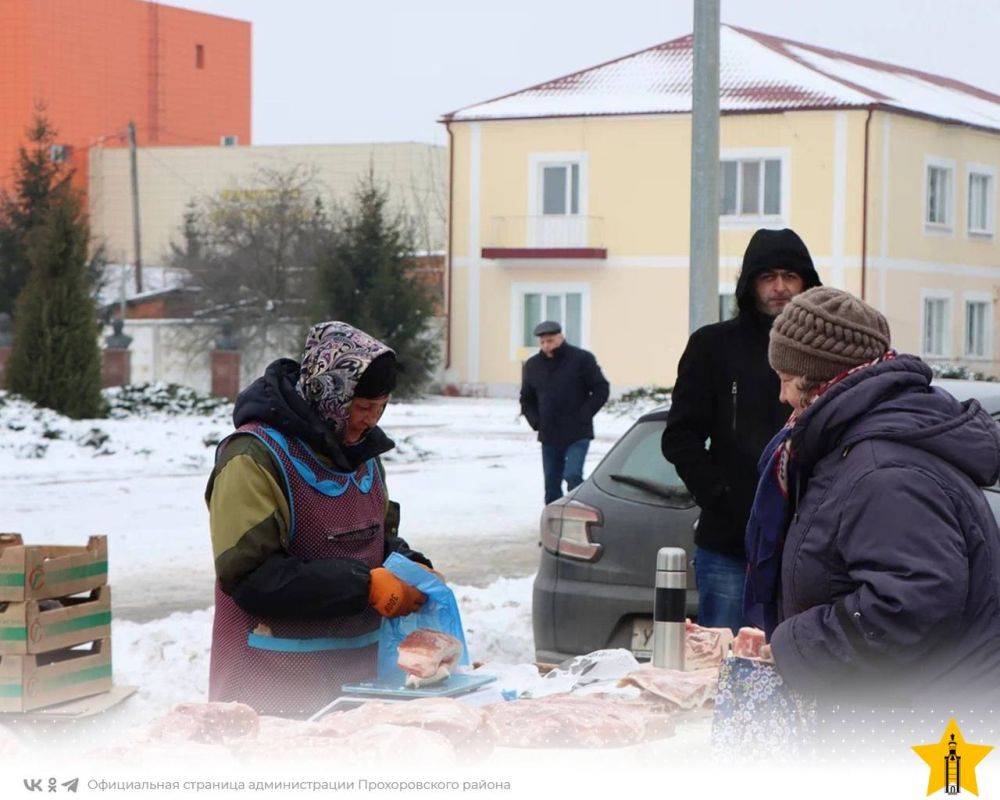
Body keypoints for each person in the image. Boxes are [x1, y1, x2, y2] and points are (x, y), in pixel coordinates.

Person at [746, 287, 1000, 704]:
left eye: (787, 380)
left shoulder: (886, 471)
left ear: (821, 379)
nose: (783, 397)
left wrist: (798, 645)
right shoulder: (854, 447)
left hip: (922, 724)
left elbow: (910, 606)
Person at [207, 321, 435, 717]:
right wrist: (363, 586)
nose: (371, 420)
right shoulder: (253, 457)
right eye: (362, 407)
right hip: (271, 684)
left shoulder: (361, 454)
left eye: (381, 407)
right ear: (329, 392)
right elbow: (251, 577)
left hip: (355, 682)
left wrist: (408, 565)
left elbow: (374, 539)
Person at [662, 228, 821, 633]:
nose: (780, 287)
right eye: (767, 277)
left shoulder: (825, 350)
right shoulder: (713, 347)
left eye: (790, 275)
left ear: (807, 281)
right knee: (726, 664)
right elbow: (680, 436)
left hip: (811, 546)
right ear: (749, 284)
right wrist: (721, 496)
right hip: (731, 546)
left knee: (803, 671)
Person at [519, 321, 610, 505]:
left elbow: (601, 388)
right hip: (549, 435)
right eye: (542, 342)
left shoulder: (582, 359)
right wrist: (536, 422)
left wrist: (585, 413)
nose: (546, 345)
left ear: (561, 337)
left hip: (577, 432)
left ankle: (579, 512)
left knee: (573, 475)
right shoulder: (533, 365)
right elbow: (526, 398)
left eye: (550, 341)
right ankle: (554, 522)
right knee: (552, 485)